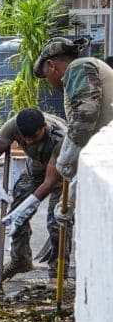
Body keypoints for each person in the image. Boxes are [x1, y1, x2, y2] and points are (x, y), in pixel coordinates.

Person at [0, 109, 70, 283]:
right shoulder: (14, 125)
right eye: (25, 137)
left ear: (43, 127)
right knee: (15, 214)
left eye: (34, 137)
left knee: (57, 221)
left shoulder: (60, 137)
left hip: (60, 174)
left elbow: (50, 181)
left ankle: (58, 274)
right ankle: (20, 260)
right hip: (35, 169)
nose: (29, 141)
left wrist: (28, 206)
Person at [33, 37, 113, 224]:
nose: (50, 83)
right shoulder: (88, 67)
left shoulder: (77, 68)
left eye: (46, 76)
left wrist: (66, 157)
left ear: (52, 65)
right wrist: (68, 201)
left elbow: (86, 115)